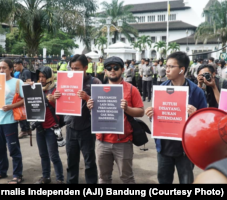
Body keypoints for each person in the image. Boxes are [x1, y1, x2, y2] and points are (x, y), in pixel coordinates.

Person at [145, 51, 207, 184]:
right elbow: (158, 117)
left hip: (185, 149)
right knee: (163, 180)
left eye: (171, 67)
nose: (166, 69)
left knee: (186, 181)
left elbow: (204, 122)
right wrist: (152, 114)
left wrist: (195, 115)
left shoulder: (196, 92)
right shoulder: (161, 89)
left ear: (182, 69)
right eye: (166, 66)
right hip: (164, 147)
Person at [87, 56, 144, 184]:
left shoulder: (131, 89)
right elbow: (96, 114)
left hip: (123, 142)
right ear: (105, 71)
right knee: (103, 178)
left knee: (127, 179)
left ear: (122, 70)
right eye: (109, 68)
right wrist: (90, 107)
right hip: (102, 141)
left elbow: (141, 112)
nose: (112, 70)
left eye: (116, 68)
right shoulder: (98, 90)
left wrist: (127, 108)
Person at [54, 54, 101, 184]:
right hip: (71, 127)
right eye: (72, 68)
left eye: (77, 68)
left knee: (89, 161)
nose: (74, 71)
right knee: (71, 161)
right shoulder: (65, 81)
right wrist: (56, 96)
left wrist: (87, 97)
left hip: (87, 128)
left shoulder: (94, 82)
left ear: (86, 67)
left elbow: (102, 106)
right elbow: (57, 101)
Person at [0, 59, 24, 184]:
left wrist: (11, 106)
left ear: (11, 69)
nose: (1, 70)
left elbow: (26, 99)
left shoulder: (17, 82)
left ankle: (17, 175)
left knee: (13, 150)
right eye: (0, 68)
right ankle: (2, 171)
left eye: (4, 68)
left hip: (10, 121)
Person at [33, 66, 65, 184]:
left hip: (51, 128)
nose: (41, 79)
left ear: (50, 77)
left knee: (54, 156)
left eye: (44, 76)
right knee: (43, 155)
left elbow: (63, 109)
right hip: (40, 128)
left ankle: (59, 179)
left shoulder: (55, 90)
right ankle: (46, 177)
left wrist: (55, 100)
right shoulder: (35, 89)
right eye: (39, 76)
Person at [13, 58, 32, 139]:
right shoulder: (20, 73)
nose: (14, 68)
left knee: (22, 113)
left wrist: (18, 83)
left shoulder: (26, 72)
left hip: (25, 95)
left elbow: (29, 82)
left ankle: (24, 130)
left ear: (20, 64)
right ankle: (27, 129)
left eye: (15, 66)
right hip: (21, 95)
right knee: (23, 113)